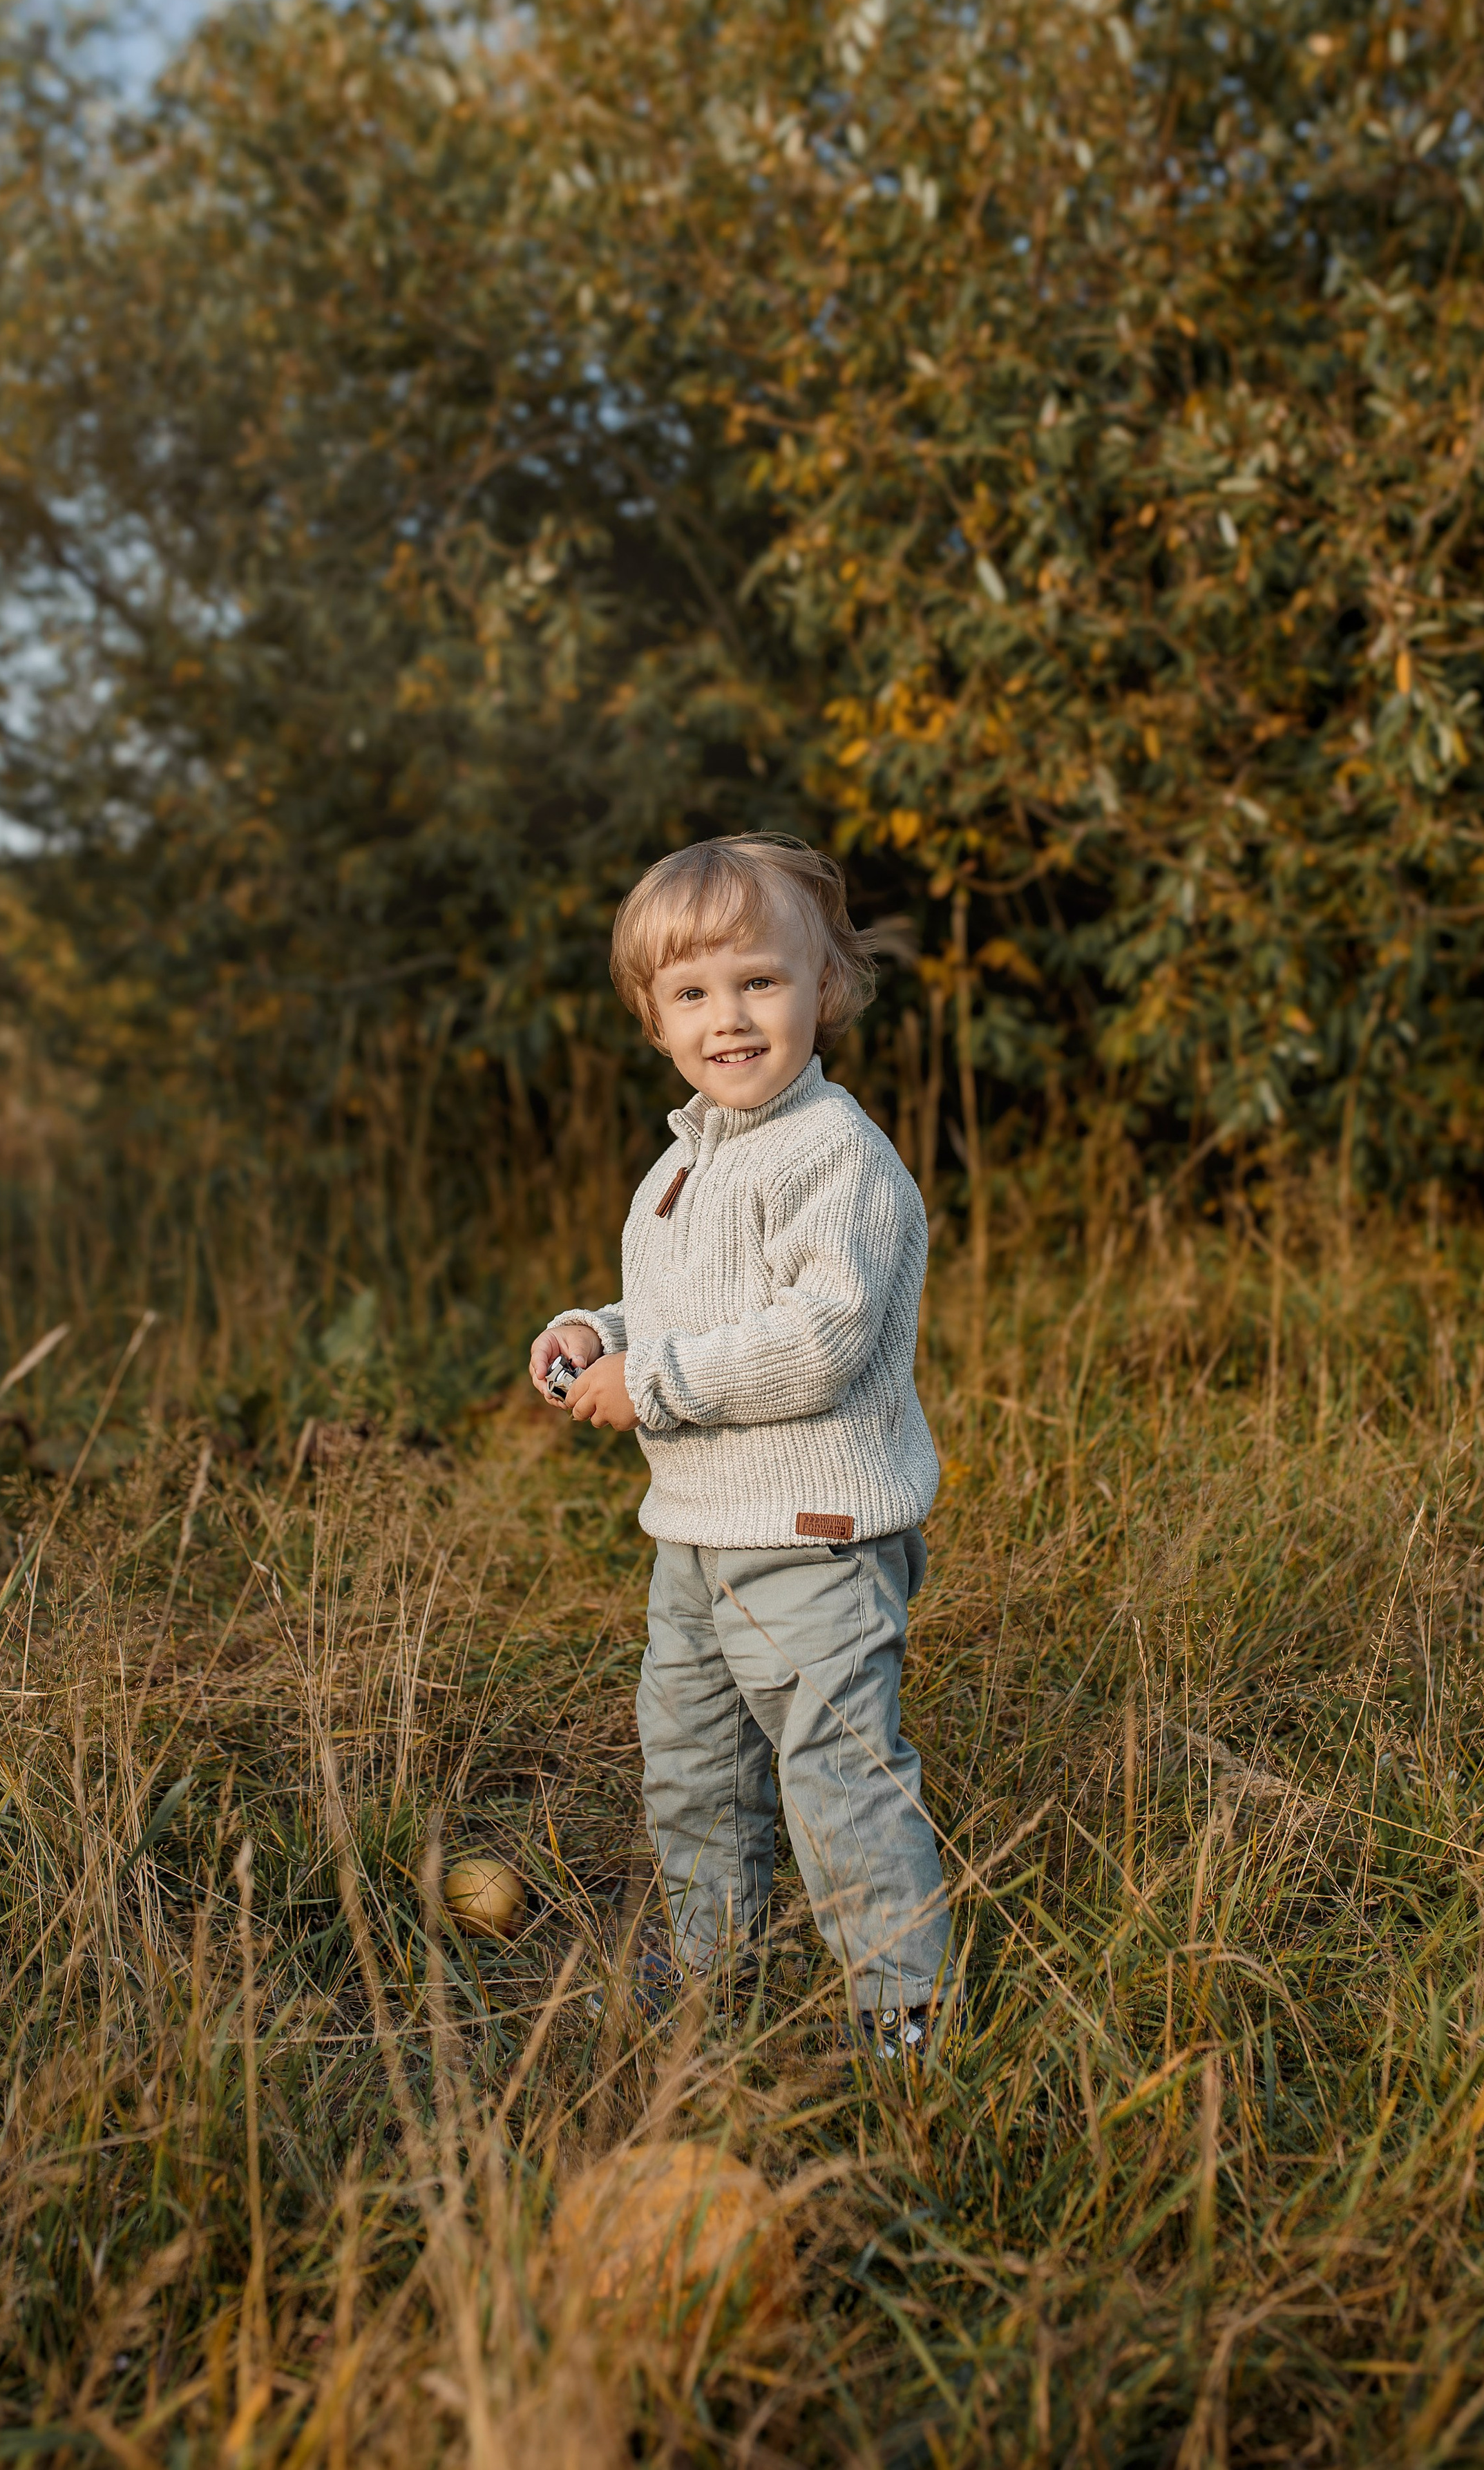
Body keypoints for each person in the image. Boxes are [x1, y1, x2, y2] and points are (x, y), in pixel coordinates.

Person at [528, 833, 950, 2061]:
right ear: (653, 1018)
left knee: (838, 1772)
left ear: (824, 987)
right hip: (699, 1542)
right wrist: (593, 1331)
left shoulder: (836, 1156)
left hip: (814, 1540)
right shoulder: (680, 1162)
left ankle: (899, 2011)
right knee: (694, 1761)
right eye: (694, 993)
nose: (731, 1017)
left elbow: (818, 1339)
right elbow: (686, 1312)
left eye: (761, 981)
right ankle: (713, 1961)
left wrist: (645, 1382)